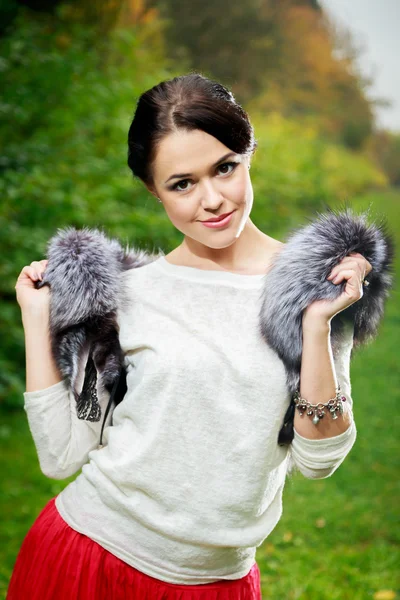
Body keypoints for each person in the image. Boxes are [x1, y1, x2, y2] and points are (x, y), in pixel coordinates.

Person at [9, 73, 373, 600]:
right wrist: (35, 318)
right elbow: (62, 453)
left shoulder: (312, 290)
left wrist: (315, 326)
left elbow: (320, 461)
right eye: (182, 183)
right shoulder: (124, 295)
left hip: (216, 582)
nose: (212, 200)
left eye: (224, 168)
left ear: (248, 154)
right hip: (89, 557)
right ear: (154, 191)